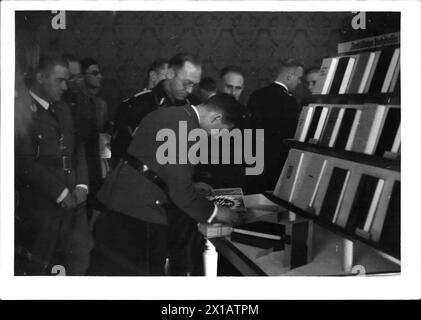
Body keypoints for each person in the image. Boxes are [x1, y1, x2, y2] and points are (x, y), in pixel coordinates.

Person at [94, 94, 244, 275]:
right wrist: (218, 212)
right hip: (141, 211)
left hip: (114, 199)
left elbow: (149, 161)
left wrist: (191, 184)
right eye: (221, 131)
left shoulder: (166, 113)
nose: (218, 137)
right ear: (215, 118)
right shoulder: (188, 132)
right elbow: (181, 194)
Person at [15, 53, 92, 275]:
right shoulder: (19, 110)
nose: (65, 86)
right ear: (40, 77)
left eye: (67, 80)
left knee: (78, 259)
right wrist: (60, 192)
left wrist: (82, 186)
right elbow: (24, 162)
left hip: (74, 203)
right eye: (59, 80)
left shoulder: (63, 109)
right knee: (40, 264)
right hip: (43, 204)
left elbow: (78, 150)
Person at [111, 53, 202, 167]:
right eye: (186, 83)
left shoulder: (193, 105)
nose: (190, 90)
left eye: (194, 85)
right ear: (170, 73)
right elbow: (121, 155)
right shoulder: (137, 105)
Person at [247, 58, 303, 192]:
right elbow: (291, 136)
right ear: (290, 76)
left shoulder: (256, 94)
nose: (300, 82)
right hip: (276, 164)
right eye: (299, 78)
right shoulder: (289, 101)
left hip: (252, 160)